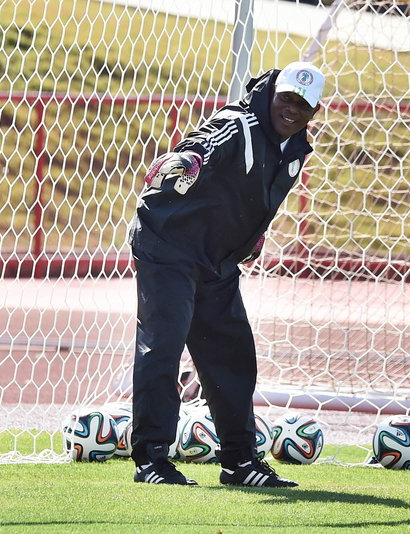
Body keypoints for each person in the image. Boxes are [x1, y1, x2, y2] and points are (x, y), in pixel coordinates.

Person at [127, 61, 325, 485]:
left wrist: (250, 237)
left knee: (232, 356)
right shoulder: (239, 125)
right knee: (163, 346)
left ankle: (240, 463)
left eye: (302, 105)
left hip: (216, 259)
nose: (291, 110)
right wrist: (186, 161)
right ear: (271, 94)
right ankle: (152, 461)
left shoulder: (294, 150)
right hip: (169, 245)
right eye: (286, 99)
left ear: (314, 112)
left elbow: (255, 197)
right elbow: (204, 143)